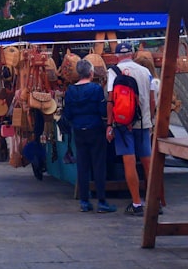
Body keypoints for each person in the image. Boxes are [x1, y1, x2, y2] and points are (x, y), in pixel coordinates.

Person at [106, 42, 155, 216]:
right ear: (133, 54)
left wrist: (109, 125)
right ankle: (153, 201)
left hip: (122, 124)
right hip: (144, 123)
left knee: (130, 162)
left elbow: (111, 100)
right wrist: (150, 118)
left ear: (117, 56)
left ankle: (136, 203)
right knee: (148, 162)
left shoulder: (113, 72)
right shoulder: (146, 72)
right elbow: (152, 100)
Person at [63, 59, 117, 213]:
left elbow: (68, 113)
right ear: (91, 73)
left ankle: (84, 201)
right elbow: (102, 110)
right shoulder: (96, 89)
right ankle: (101, 201)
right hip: (95, 128)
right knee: (99, 165)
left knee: (83, 165)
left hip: (79, 130)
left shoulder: (70, 91)